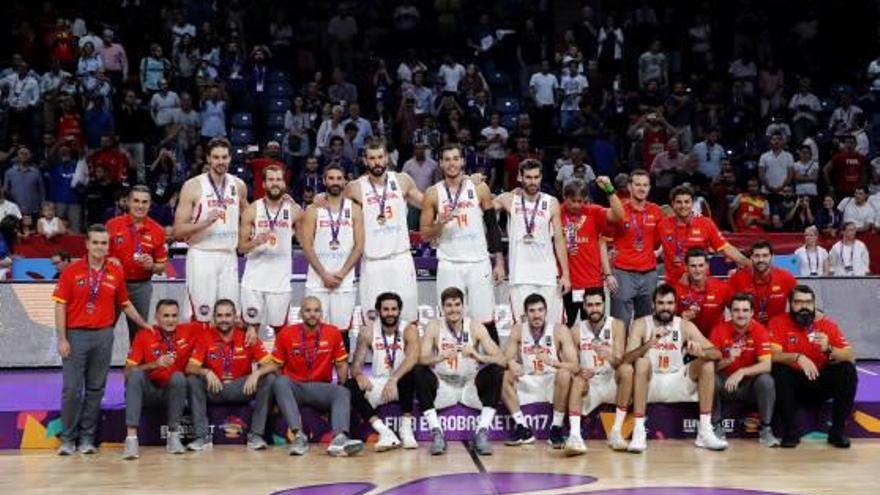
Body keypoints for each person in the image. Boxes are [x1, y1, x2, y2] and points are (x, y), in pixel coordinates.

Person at [53, 224, 150, 455]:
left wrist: (144, 324)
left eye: (104, 243)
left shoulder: (115, 271)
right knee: (72, 389)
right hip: (76, 336)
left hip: (104, 335)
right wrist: (62, 339)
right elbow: (60, 305)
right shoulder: (72, 270)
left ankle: (87, 439)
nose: (99, 247)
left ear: (109, 246)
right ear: (87, 244)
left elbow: (125, 304)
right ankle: (68, 439)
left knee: (96, 389)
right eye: (95, 242)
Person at [622, 284, 727, 452]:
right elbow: (626, 359)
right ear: (653, 304)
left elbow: (717, 353)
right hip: (651, 382)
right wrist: (649, 343)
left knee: (707, 364)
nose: (665, 307)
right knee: (641, 363)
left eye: (670, 303)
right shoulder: (641, 324)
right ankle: (639, 431)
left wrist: (700, 352)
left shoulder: (684, 325)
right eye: (661, 303)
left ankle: (705, 431)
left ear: (676, 305)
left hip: (678, 380)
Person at [420, 144, 504, 341]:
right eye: (447, 159)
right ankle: (448, 365)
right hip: (449, 263)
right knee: (449, 319)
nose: (452, 163)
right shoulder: (432, 193)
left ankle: (494, 368)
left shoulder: (479, 187)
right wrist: (440, 224)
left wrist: (499, 261)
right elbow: (424, 234)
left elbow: (492, 226)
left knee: (485, 318)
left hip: (479, 262)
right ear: (440, 163)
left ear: (463, 161)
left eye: (455, 158)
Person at [334, 142, 423, 323]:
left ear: (387, 158)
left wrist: (466, 183)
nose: (377, 162)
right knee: (372, 321)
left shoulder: (402, 180)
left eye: (380, 157)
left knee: (409, 319)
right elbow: (333, 204)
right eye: (372, 158)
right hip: (373, 262)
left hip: (401, 259)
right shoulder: (355, 187)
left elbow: (428, 203)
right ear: (365, 161)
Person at [412, 287, 506, 456]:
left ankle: (482, 432)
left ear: (464, 306)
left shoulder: (475, 327)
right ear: (441, 307)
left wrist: (477, 355)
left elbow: (502, 359)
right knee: (418, 371)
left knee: (496, 370)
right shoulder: (434, 326)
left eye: (457, 305)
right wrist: (440, 357)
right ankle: (437, 433)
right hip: (443, 386)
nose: (453, 309)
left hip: (470, 386)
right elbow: (421, 359)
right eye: (449, 305)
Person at [266, 296, 364, 456]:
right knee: (280, 382)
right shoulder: (286, 333)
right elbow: (277, 365)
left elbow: (341, 364)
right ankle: (298, 437)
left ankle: (339, 440)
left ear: (321, 313)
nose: (312, 314)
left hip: (320, 387)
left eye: (316, 310)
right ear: (301, 313)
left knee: (342, 392)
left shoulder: (332, 332)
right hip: (295, 387)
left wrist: (342, 383)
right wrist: (284, 394)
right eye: (308, 310)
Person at [769, 285, 857, 448]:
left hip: (820, 382)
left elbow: (850, 356)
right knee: (779, 369)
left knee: (847, 369)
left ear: (814, 304)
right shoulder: (778, 322)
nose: (804, 307)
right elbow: (772, 355)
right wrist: (797, 357)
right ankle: (791, 432)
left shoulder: (828, 326)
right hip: (793, 386)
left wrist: (829, 348)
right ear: (790, 304)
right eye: (798, 302)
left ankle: (837, 432)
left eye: (808, 302)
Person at [173, 138, 247, 325]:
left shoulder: (239, 185)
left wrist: (278, 204)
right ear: (208, 159)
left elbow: (250, 217)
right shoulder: (192, 186)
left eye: (224, 157)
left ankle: (224, 355)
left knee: (229, 314)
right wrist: (205, 222)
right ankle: (198, 354)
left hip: (229, 256)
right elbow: (178, 230)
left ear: (230, 158)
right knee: (202, 314)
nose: (220, 161)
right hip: (202, 254)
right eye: (216, 157)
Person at [185, 299, 277, 451]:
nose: (224, 320)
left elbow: (272, 364)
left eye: (228, 315)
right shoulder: (204, 337)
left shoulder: (248, 337)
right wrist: (206, 371)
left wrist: (257, 373)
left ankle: (256, 435)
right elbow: (189, 367)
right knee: (193, 379)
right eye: (220, 315)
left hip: (242, 388)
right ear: (214, 318)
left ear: (235, 317)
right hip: (215, 388)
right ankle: (202, 437)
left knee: (270, 378)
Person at [494, 159, 571, 325]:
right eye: (528, 177)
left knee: (554, 326)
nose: (532, 181)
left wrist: (565, 274)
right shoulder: (508, 199)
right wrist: (470, 182)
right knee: (522, 328)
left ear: (541, 177)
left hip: (548, 275)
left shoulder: (551, 202)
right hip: (520, 275)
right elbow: (482, 207)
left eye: (536, 177)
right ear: (520, 177)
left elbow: (559, 240)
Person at [122, 299, 198, 459]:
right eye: (166, 316)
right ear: (156, 317)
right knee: (136, 374)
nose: (170, 320)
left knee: (178, 377)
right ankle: (131, 440)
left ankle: (173, 437)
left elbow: (215, 325)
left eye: (174, 316)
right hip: (148, 393)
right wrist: (154, 364)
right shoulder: (144, 335)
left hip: (172, 394)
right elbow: (127, 372)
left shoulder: (188, 331)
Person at [501, 294, 578, 450]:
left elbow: (575, 366)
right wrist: (510, 363)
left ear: (546, 311)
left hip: (551, 380)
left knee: (564, 373)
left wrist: (552, 362)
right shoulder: (518, 329)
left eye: (540, 310)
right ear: (525, 313)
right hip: (528, 379)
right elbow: (504, 360)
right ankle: (523, 428)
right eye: (532, 311)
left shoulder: (559, 330)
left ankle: (556, 428)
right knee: (502, 376)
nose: (536, 315)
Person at [345, 292, 420, 451]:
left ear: (399, 310)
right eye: (385, 309)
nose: (390, 313)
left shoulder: (409, 329)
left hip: (401, 383)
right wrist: (358, 375)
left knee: (413, 372)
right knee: (349, 386)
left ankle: (406, 430)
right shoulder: (368, 331)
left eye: (394, 309)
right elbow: (356, 363)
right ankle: (385, 432)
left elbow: (413, 357)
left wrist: (393, 380)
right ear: (378, 311)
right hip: (379, 383)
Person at [301, 164, 364, 348]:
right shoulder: (313, 210)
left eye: (339, 178)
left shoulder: (354, 209)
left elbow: (359, 246)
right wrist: (324, 275)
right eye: (331, 178)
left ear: (345, 181)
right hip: (317, 279)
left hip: (344, 280)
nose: (335, 182)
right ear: (324, 181)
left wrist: (342, 273)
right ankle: (316, 373)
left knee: (341, 331)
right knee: (314, 328)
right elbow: (307, 246)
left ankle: (342, 377)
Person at [239, 165, 302, 341]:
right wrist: (256, 242)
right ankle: (249, 367)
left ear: (284, 183)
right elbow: (241, 247)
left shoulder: (294, 210)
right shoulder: (252, 210)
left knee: (281, 332)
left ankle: (280, 367)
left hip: (280, 281)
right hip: (254, 280)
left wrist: (297, 206)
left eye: (278, 180)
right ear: (264, 184)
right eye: (271, 180)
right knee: (250, 331)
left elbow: (306, 241)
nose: (275, 183)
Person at [709, 293, 779, 447]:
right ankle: (715, 427)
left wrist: (741, 372)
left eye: (745, 310)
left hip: (748, 387)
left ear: (752, 312)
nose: (741, 315)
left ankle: (766, 430)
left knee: (766, 380)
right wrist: (728, 360)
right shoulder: (718, 331)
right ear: (730, 312)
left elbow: (767, 365)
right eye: (736, 310)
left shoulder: (760, 331)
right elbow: (709, 367)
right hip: (724, 384)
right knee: (709, 378)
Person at [567, 288, 630, 453]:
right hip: (590, 383)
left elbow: (619, 361)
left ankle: (616, 432)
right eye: (590, 305)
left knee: (627, 370)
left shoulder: (617, 325)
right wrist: (579, 370)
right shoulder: (575, 331)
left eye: (598, 304)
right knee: (577, 380)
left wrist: (609, 355)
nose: (594, 309)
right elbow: (571, 363)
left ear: (604, 305)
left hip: (611, 380)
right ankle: (575, 437)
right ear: (584, 307)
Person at [106, 186, 168, 343]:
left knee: (139, 335)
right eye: (136, 201)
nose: (140, 206)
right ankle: (98, 367)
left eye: (145, 202)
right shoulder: (112, 225)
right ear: (128, 202)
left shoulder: (158, 230)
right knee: (104, 330)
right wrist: (108, 261)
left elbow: (162, 267)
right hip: (113, 284)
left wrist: (152, 266)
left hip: (141, 287)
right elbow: (98, 255)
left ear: (150, 204)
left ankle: (135, 368)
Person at [559, 178, 624, 326]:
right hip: (566, 284)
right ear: (564, 197)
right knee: (563, 328)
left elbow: (619, 215)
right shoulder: (556, 212)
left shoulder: (593, 212)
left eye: (580, 201)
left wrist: (609, 189)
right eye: (573, 201)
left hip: (592, 283)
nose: (577, 205)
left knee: (593, 329)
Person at [658, 184, 748, 284]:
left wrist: (748, 263)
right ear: (673, 204)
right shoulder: (662, 225)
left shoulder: (705, 223)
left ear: (692, 203)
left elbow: (725, 248)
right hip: (673, 286)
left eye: (687, 202)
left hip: (700, 285)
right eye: (679, 202)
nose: (683, 206)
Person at [606, 170, 663, 325]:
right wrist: (607, 272)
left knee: (646, 323)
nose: (641, 188)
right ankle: (620, 350)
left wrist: (658, 253)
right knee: (620, 323)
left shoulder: (656, 211)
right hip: (623, 273)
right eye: (637, 184)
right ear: (629, 187)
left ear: (650, 188)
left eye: (645, 185)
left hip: (649, 273)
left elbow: (665, 237)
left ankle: (643, 350)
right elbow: (601, 239)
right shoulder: (619, 209)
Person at [728, 241, 798, 325]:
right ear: (751, 258)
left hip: (777, 330)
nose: (761, 260)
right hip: (747, 330)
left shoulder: (786, 278)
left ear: (772, 257)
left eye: (765, 256)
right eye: (757, 256)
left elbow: (799, 302)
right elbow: (727, 305)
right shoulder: (736, 279)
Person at [671, 248, 731, 337]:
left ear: (707, 266)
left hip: (715, 343)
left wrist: (727, 335)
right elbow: (667, 324)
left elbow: (739, 312)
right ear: (686, 267)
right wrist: (680, 320)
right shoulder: (676, 291)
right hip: (688, 342)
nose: (697, 270)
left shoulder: (722, 287)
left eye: (701, 265)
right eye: (693, 266)